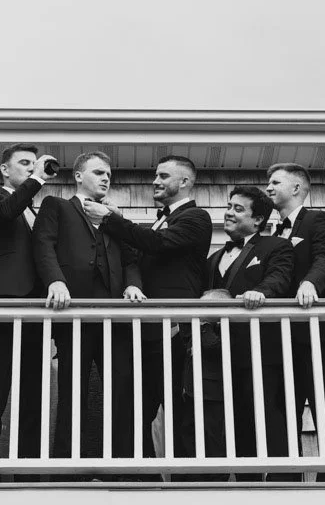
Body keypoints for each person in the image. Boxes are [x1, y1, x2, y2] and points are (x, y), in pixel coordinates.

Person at [82, 155, 212, 459]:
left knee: (180, 409)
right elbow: (139, 246)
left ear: (184, 182)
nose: (155, 181)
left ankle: (188, 482)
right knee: (136, 410)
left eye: (164, 176)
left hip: (176, 332)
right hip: (147, 333)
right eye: (156, 175)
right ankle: (141, 475)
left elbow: (156, 243)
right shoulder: (160, 219)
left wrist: (111, 219)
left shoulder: (196, 218)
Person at [32, 151, 142, 469]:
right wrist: (55, 281)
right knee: (73, 393)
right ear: (79, 176)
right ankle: (68, 467)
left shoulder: (113, 216)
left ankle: (124, 468)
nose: (106, 178)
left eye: (108, 173)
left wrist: (132, 285)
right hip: (74, 315)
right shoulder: (57, 206)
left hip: (116, 319)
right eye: (98, 172)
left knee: (123, 392)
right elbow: (44, 244)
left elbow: (132, 259)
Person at [0, 144, 58, 476]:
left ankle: (28, 460)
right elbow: (5, 212)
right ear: (5, 170)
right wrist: (36, 178)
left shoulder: (37, 210)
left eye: (34, 165)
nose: (31, 168)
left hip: (37, 308)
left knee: (35, 388)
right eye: (24, 163)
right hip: (2, 303)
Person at [205, 186, 294, 481]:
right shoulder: (214, 258)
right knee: (237, 419)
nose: (229, 212)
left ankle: (284, 485)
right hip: (221, 352)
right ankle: (247, 484)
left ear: (258, 221)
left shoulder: (275, 247)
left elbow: (279, 278)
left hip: (260, 350)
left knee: (267, 414)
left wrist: (259, 292)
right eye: (228, 206)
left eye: (238, 208)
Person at [265, 163, 325, 481]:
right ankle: (287, 474)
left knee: (321, 399)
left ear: (296, 188)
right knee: (284, 404)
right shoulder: (273, 230)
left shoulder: (317, 220)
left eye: (275, 182)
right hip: (281, 335)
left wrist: (311, 283)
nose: (268, 188)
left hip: (314, 332)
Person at [178, 287, 232, 482]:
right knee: (189, 431)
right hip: (192, 392)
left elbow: (213, 346)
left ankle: (216, 478)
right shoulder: (194, 327)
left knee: (213, 436)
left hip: (212, 393)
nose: (199, 309)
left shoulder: (219, 328)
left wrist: (203, 326)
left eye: (205, 305)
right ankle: (195, 477)